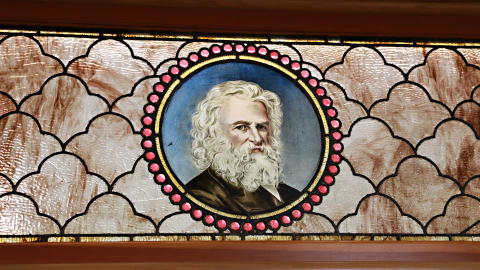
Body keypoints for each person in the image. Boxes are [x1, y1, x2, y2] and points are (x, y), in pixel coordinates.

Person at [186, 80, 300, 214]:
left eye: (261, 127)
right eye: (241, 127)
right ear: (214, 133)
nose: (257, 138)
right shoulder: (201, 196)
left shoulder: (290, 194)